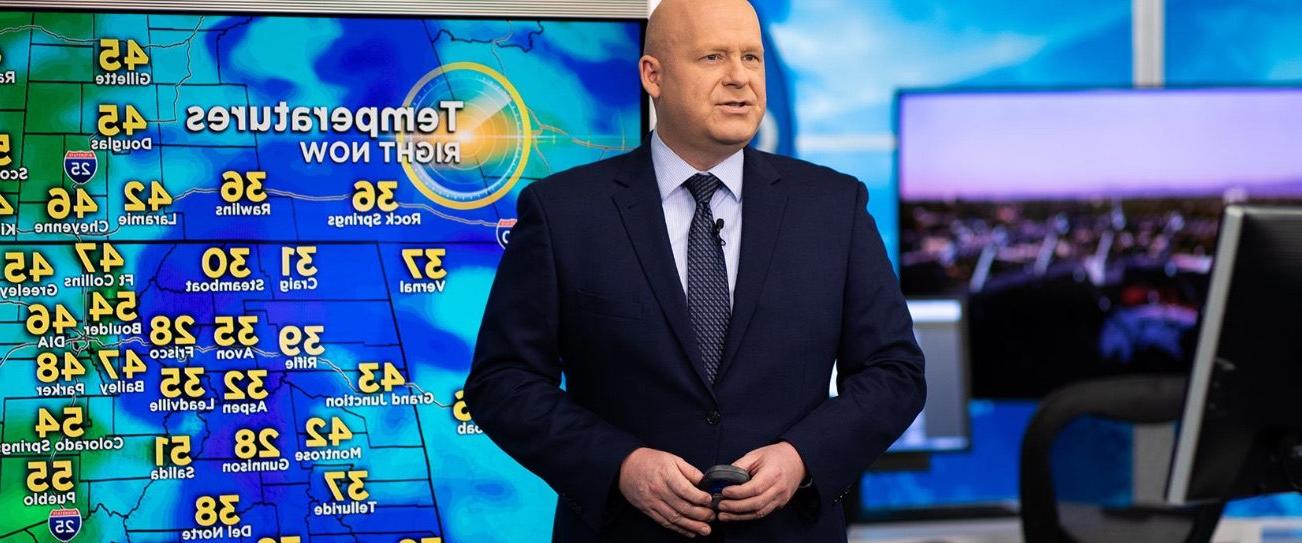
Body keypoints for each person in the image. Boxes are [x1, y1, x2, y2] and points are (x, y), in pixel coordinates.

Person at [464, 0, 925, 540]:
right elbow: (504, 382)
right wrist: (620, 465)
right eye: (713, 57)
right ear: (652, 75)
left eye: (751, 58)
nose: (739, 78)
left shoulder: (833, 207)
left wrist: (803, 457)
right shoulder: (565, 212)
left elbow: (894, 372)